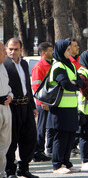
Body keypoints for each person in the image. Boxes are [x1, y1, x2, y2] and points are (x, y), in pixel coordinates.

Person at [46, 39, 83, 174]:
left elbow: (81, 82)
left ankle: (66, 162)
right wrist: (75, 84)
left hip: (71, 107)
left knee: (70, 135)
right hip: (60, 108)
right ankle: (57, 165)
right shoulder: (58, 66)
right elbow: (66, 84)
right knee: (61, 137)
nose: (70, 51)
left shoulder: (70, 65)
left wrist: (75, 83)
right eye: (67, 49)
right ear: (61, 50)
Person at [4, 38, 39, 178]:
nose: (13, 52)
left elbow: (28, 88)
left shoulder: (24, 64)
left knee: (30, 137)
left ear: (21, 50)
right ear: (6, 50)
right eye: (10, 49)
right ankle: (10, 171)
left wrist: (33, 106)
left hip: (26, 106)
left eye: (16, 49)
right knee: (12, 140)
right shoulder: (4, 65)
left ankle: (24, 167)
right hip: (12, 107)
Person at [31, 42, 54, 162]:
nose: (52, 52)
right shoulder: (39, 66)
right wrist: (42, 102)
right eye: (50, 50)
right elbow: (36, 86)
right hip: (43, 104)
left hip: (50, 102)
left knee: (49, 127)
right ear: (44, 52)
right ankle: (37, 152)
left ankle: (45, 150)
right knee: (41, 128)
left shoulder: (51, 64)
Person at [0, 42, 13, 178]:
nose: (5, 53)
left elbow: (8, 86)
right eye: (3, 50)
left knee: (5, 143)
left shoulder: (3, 67)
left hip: (6, 107)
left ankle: (1, 173)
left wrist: (11, 96)